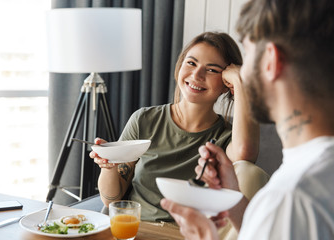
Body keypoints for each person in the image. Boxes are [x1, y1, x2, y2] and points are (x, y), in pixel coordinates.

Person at [161, 0, 334, 239]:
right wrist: (234, 199)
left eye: (248, 52)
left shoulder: (290, 199)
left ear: (271, 61)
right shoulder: (312, 180)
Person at [90, 32, 260, 223]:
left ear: (226, 84)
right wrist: (109, 167)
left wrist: (241, 82)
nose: (197, 75)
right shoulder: (144, 120)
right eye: (191, 63)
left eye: (212, 70)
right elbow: (111, 199)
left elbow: (245, 156)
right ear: (179, 67)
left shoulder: (225, 138)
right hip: (136, 230)